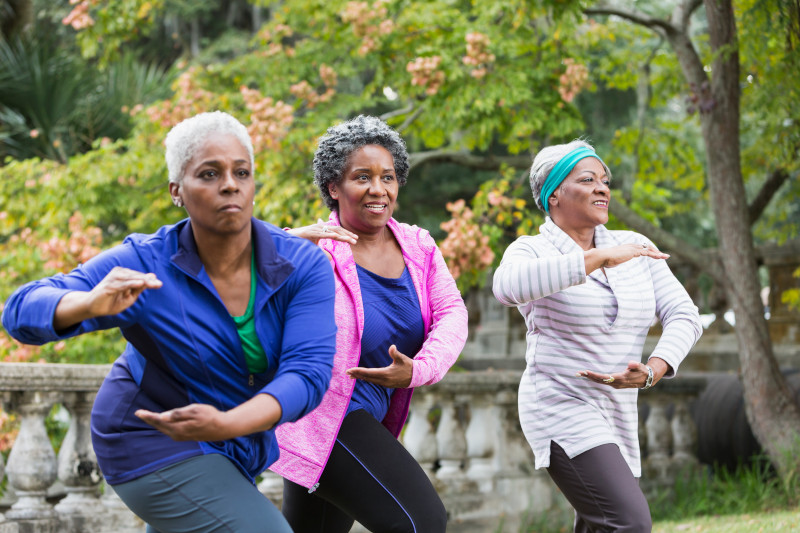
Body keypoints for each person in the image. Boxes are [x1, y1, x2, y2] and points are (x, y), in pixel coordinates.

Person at [1, 111, 337, 533]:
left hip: (233, 443)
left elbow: (307, 374)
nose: (230, 184)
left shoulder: (301, 265)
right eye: (209, 173)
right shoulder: (147, 261)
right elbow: (20, 308)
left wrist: (229, 423)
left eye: (242, 172)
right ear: (177, 190)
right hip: (146, 439)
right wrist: (86, 304)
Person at [269, 115, 468, 533]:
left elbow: (452, 313)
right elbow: (240, 281)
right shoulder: (310, 248)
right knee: (421, 521)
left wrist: (420, 368)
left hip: (370, 414)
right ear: (333, 188)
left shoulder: (419, 246)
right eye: (363, 177)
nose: (379, 189)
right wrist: (283, 247)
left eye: (388, 177)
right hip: (323, 413)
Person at [492, 139, 702, 532]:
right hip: (559, 402)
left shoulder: (637, 248)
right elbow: (506, 287)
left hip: (616, 409)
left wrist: (654, 368)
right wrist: (598, 258)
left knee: (600, 523)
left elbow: (685, 315)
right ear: (554, 194)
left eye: (605, 180)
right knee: (628, 522)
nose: (602, 188)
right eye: (587, 180)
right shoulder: (531, 251)